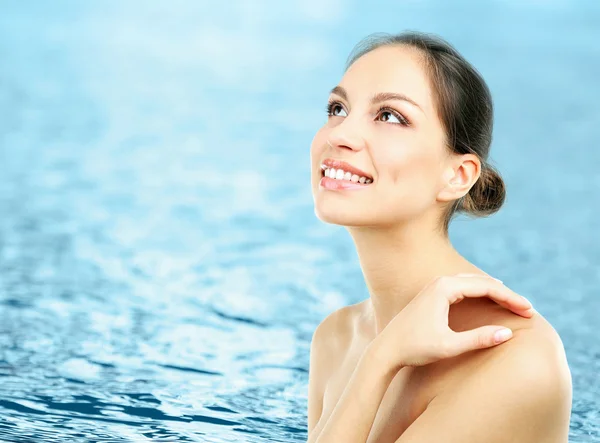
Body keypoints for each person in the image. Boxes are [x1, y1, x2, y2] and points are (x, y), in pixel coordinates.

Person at [307, 31, 572, 443]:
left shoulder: (515, 357)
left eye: (390, 116)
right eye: (338, 108)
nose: (338, 136)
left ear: (457, 176)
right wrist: (381, 357)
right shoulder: (337, 337)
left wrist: (380, 357)